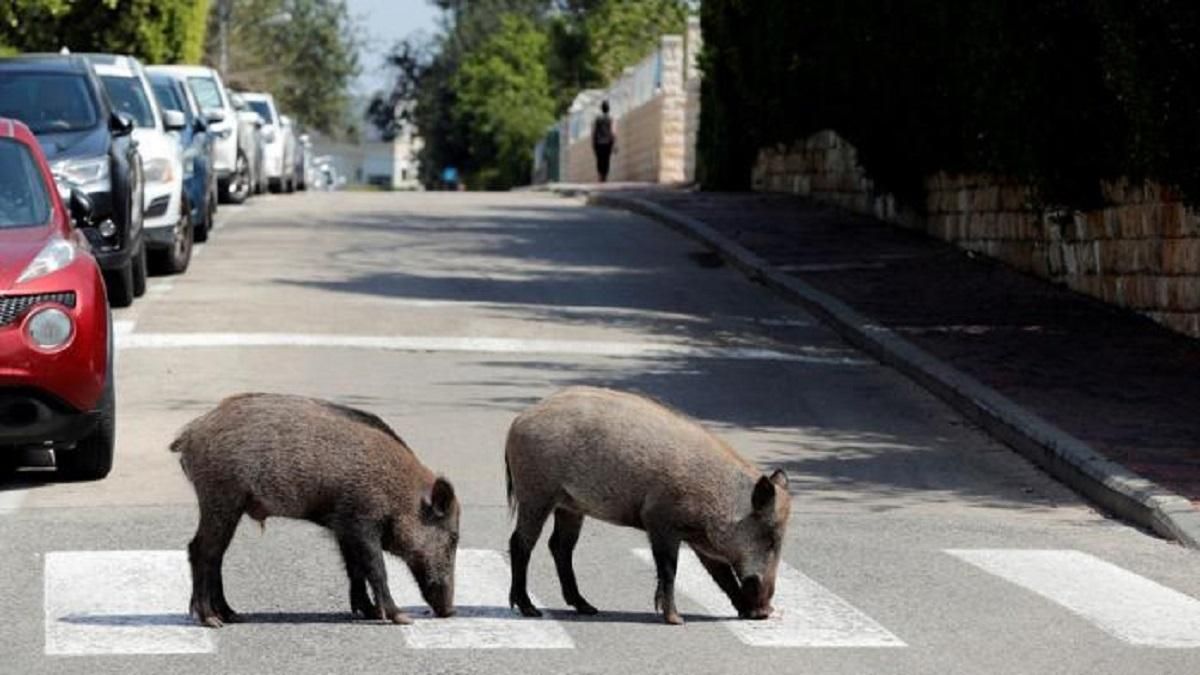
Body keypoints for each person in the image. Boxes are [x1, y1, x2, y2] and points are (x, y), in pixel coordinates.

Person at [592, 101, 616, 183]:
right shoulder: (610, 119)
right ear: (608, 109)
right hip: (608, 142)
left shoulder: (597, 119)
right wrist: (614, 142)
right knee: (606, 159)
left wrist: (593, 142)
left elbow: (594, 131)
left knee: (599, 159)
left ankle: (600, 176)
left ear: (601, 109)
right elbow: (613, 131)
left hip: (599, 142)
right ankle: (605, 176)